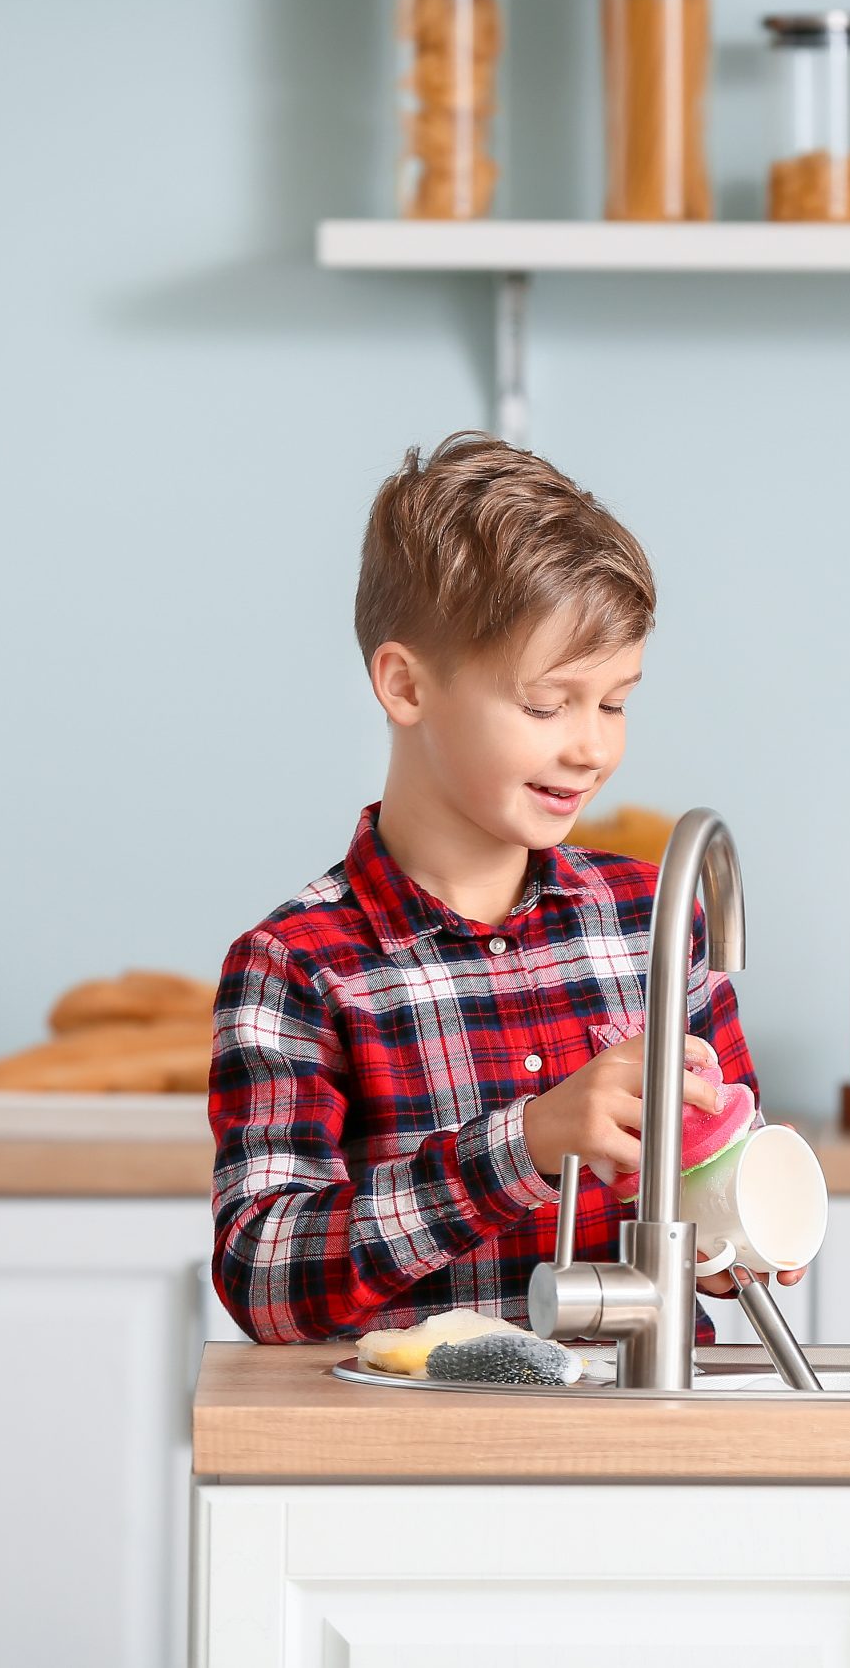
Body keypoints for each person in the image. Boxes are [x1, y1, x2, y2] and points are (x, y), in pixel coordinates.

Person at [208, 433, 793, 1341]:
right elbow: (266, 1272)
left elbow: (715, 1190)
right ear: (405, 685)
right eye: (545, 704)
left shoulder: (655, 917)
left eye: (615, 701)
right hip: (419, 1466)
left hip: (644, 1453)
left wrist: (739, 1220)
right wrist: (523, 1145)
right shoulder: (298, 966)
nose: (591, 747)